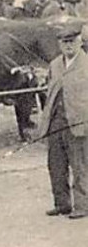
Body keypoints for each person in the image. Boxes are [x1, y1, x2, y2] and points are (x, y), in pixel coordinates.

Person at [44, 21, 88, 218]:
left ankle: (83, 205)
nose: (68, 46)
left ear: (80, 41)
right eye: (64, 42)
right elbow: (49, 92)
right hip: (56, 123)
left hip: (79, 124)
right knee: (56, 165)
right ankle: (62, 203)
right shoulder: (54, 65)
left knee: (80, 165)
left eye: (72, 41)